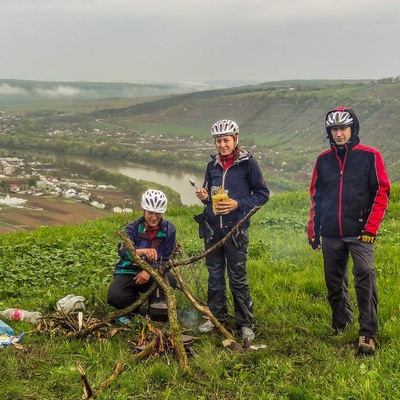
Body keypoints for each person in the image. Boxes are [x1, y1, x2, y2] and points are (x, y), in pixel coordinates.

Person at [307, 107, 390, 355]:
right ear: (329, 132)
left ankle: (367, 333)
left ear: (353, 129)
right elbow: (316, 196)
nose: (339, 133)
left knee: (364, 277)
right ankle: (341, 324)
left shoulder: (370, 156)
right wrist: (314, 230)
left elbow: (381, 192)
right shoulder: (323, 160)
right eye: (334, 129)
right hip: (332, 231)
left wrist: (370, 228)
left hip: (361, 232)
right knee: (334, 282)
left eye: (343, 128)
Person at [195, 119, 270, 342]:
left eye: (226, 140)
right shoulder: (212, 166)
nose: (221, 145)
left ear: (235, 139)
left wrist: (238, 204)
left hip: (236, 230)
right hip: (212, 230)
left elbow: (262, 194)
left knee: (237, 277)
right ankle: (215, 317)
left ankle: (246, 323)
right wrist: (205, 198)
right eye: (218, 141)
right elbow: (210, 196)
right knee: (215, 276)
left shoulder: (248, 165)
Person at [107, 189, 176, 323]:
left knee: (170, 280)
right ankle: (134, 310)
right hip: (129, 271)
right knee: (115, 295)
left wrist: (148, 271)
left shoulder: (169, 230)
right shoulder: (131, 228)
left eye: (158, 213)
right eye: (150, 213)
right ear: (142, 210)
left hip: (155, 272)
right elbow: (123, 253)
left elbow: (167, 258)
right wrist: (143, 251)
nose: (154, 217)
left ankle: (155, 310)